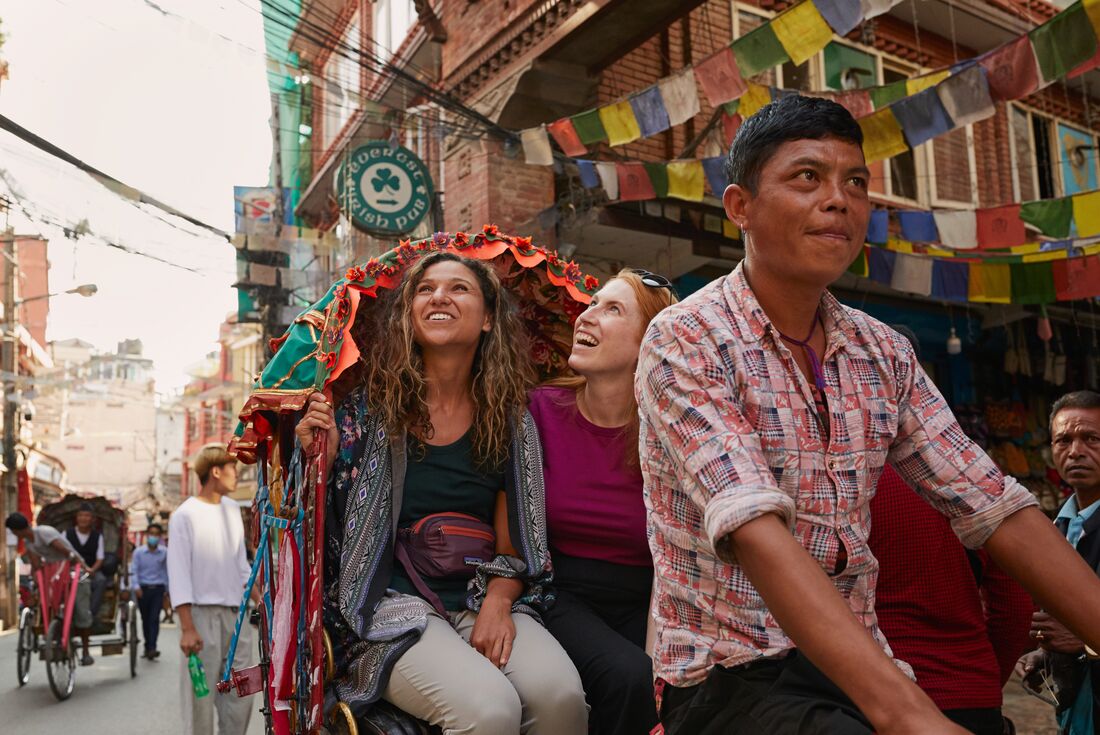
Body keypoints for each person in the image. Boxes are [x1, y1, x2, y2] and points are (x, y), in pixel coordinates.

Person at [636, 94, 1100, 735]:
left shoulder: (885, 352)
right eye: (808, 177)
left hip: (862, 662)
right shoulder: (684, 337)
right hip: (731, 675)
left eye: (855, 182)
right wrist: (909, 717)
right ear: (740, 207)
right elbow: (752, 525)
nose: (839, 200)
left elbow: (990, 502)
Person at [297, 251, 587, 733]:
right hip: (386, 607)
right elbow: (318, 536)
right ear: (408, 315)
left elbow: (516, 545)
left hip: (482, 597)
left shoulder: (512, 420)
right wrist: (319, 461)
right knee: (491, 710)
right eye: (426, 288)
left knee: (562, 700)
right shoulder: (364, 414)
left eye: (459, 288)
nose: (440, 297)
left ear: (490, 318)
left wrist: (498, 601)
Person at [528, 268, 677, 735]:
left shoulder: (670, 430)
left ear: (648, 343)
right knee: (626, 674)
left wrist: (661, 664)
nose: (587, 316)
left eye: (613, 309)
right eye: (592, 303)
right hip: (557, 592)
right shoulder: (540, 410)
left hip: (646, 596)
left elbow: (668, 562)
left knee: (680, 686)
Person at [869, 327, 1032, 735]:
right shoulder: (973, 474)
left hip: (874, 698)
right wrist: (981, 675)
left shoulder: (840, 479)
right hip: (969, 692)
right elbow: (1013, 601)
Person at [1016, 391, 1100, 733]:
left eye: (1091, 438)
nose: (1075, 451)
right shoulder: (1059, 526)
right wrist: (1047, 656)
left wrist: (1086, 640)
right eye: (1063, 440)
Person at [168, 444, 253, 735]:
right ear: (216, 472)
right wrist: (187, 627)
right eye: (233, 470)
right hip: (201, 618)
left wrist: (266, 604)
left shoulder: (232, 510)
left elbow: (242, 566)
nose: (236, 477)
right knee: (201, 699)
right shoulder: (184, 515)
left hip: (238, 617)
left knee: (242, 695)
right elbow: (177, 574)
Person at [5, 511, 96, 665]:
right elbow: (36, 566)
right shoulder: (28, 543)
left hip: (73, 569)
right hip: (53, 574)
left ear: (18, 530)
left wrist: (83, 567)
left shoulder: (44, 533)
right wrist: (36, 585)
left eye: (13, 531)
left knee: (81, 608)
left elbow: (67, 554)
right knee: (46, 602)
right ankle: (55, 635)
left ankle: (86, 651)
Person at [131, 522, 169, 659]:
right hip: (143, 589)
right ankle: (147, 646)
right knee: (145, 619)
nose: (153, 537)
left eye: (156, 535)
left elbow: (166, 571)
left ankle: (153, 647)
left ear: (159, 537)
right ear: (147, 535)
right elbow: (134, 570)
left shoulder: (164, 552)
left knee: (154, 619)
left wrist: (167, 589)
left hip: (158, 589)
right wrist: (136, 587)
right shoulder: (138, 552)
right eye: (151, 534)